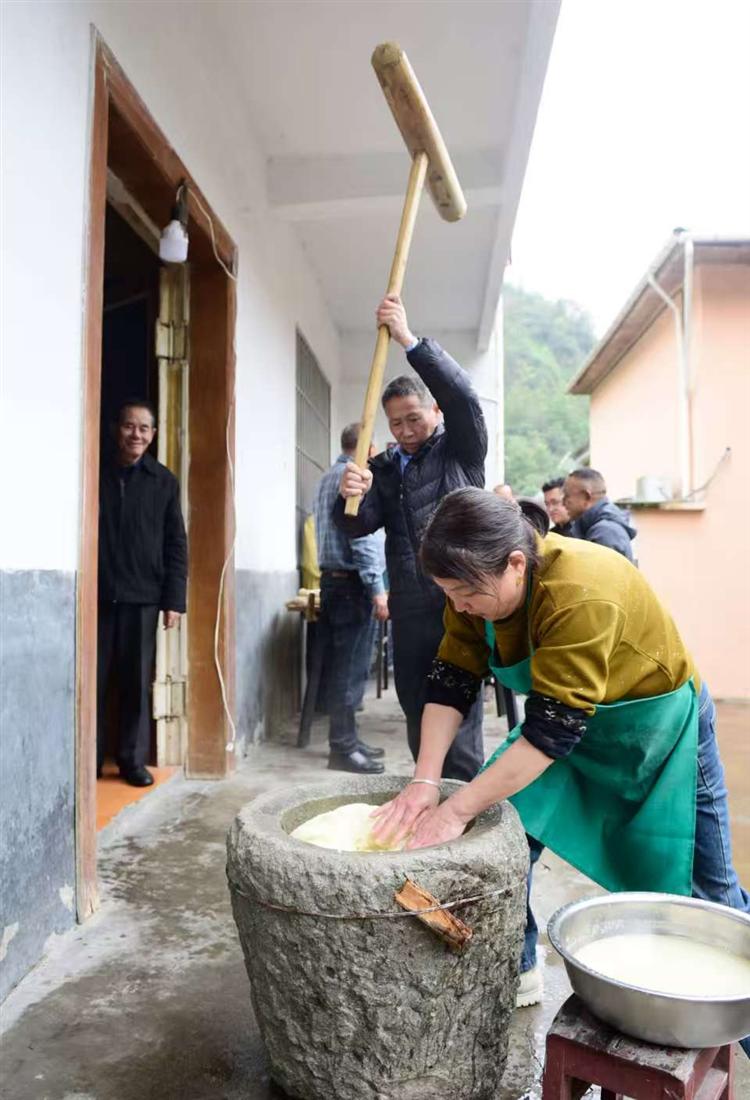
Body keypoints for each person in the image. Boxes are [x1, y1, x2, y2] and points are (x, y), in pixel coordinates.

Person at [372, 488, 749, 1025]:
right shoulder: (472, 587)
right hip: (567, 723)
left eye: (466, 593)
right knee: (505, 836)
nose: (458, 606)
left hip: (654, 728)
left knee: (709, 894)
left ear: (516, 564)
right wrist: (425, 784)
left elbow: (549, 735)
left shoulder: (580, 591)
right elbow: (452, 678)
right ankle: (520, 964)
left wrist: (454, 810)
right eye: (448, 593)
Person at [336, 295, 487, 783]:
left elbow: (464, 397)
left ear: (435, 410)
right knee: (416, 705)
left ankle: (464, 804)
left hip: (459, 603)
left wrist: (408, 340)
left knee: (459, 707)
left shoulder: (461, 448)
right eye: (396, 422)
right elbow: (357, 525)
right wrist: (349, 495)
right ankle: (426, 792)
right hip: (408, 607)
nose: (405, 430)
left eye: (414, 418)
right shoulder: (381, 468)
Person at [98, 399, 188, 787]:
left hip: (143, 597)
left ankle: (131, 760)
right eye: (129, 426)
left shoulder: (163, 481)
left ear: (153, 434)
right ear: (115, 429)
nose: (136, 434)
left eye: (144, 428)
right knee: (95, 681)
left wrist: (174, 600)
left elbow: (176, 543)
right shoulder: (96, 471)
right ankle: (89, 759)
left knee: (135, 683)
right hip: (97, 598)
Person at [314, 423, 389, 774]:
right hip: (352, 585)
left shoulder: (327, 477)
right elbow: (362, 539)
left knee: (345, 667)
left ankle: (349, 740)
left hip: (333, 581)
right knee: (350, 670)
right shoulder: (353, 478)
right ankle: (342, 747)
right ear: (367, 449)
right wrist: (378, 589)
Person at [562, 467, 635, 559]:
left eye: (567, 496)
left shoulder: (605, 534)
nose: (563, 502)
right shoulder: (595, 528)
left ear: (586, 497)